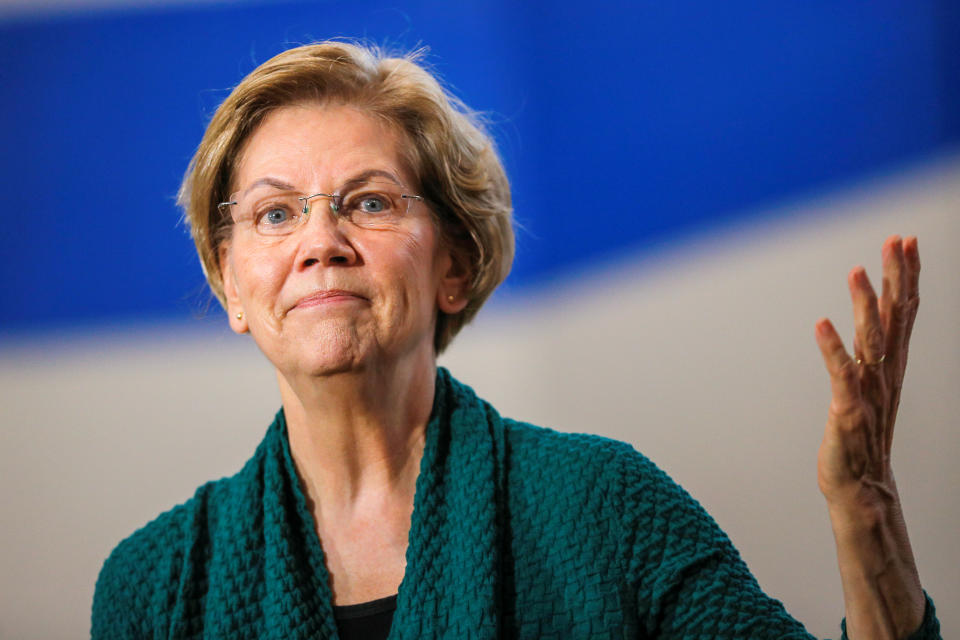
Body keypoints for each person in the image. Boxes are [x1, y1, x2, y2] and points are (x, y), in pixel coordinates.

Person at [91, 41, 940, 639]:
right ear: (229, 281)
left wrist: (865, 516)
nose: (322, 242)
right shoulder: (153, 587)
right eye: (276, 213)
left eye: (371, 201)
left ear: (454, 264)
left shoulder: (606, 506)